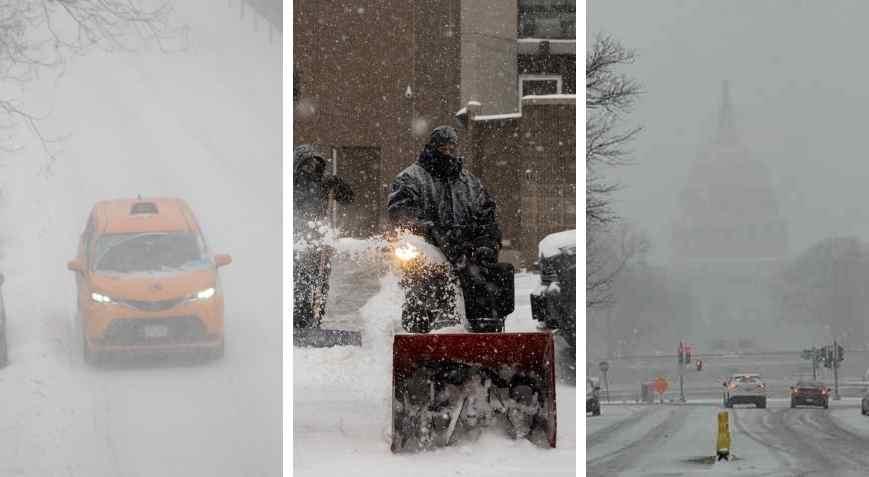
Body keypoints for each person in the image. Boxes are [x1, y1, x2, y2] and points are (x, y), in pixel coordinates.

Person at [387, 126, 512, 332]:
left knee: (494, 280)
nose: (447, 152)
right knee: (423, 293)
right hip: (427, 256)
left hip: (467, 256)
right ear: (432, 147)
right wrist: (433, 232)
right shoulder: (410, 179)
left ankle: (487, 331)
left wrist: (486, 243)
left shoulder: (470, 183)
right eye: (443, 148)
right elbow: (401, 214)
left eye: (451, 148)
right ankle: (420, 338)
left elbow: (487, 218)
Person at [293, 144, 354, 329]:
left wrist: (338, 185)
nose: (310, 168)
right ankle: (299, 321)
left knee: (320, 283)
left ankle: (315, 320)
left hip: (319, 243)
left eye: (314, 164)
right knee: (300, 284)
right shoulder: (290, 185)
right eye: (306, 164)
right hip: (297, 242)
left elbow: (348, 199)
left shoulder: (323, 183)